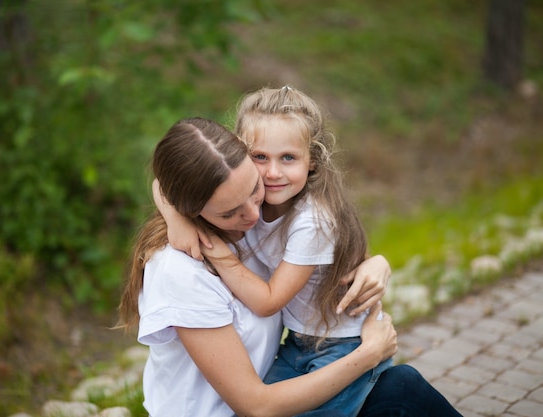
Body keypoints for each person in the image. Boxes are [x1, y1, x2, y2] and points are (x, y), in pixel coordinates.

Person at [119, 117, 462, 417]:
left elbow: (165, 183)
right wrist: (369, 353)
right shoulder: (181, 271)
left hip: (275, 399)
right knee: (400, 393)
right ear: (192, 209)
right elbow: (256, 405)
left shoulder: (249, 229)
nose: (253, 216)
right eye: (229, 212)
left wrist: (376, 263)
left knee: (402, 387)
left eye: (254, 190)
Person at [158, 86, 391, 417]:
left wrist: (218, 253)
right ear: (239, 152)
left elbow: (268, 301)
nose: (272, 173)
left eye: (289, 158)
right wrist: (174, 217)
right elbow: (165, 180)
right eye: (260, 157)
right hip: (296, 343)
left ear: (313, 161)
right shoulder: (252, 196)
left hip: (343, 344)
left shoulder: (312, 220)